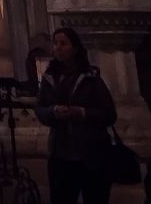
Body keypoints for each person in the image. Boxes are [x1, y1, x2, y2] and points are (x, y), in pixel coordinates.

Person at [36, 26, 118, 204]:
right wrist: (54, 112)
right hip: (60, 154)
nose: (58, 47)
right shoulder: (50, 78)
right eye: (55, 43)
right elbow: (40, 109)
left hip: (91, 153)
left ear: (75, 48)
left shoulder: (90, 77)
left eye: (63, 43)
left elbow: (109, 114)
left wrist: (82, 113)